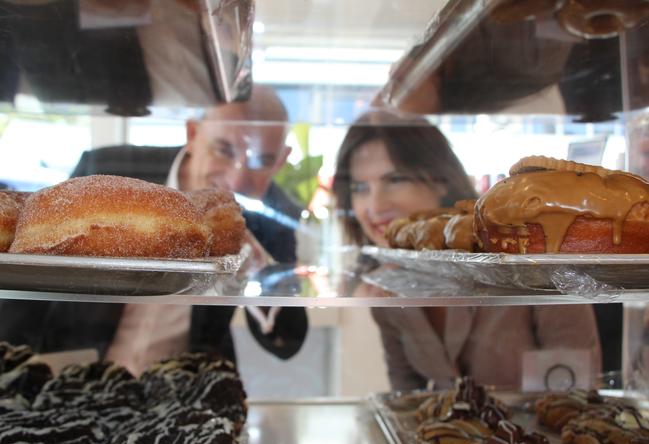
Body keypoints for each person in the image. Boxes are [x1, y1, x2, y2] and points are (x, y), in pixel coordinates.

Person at [0, 85, 308, 374]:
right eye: (224, 150)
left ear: (281, 161)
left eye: (261, 161)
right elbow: (34, 264)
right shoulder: (113, 168)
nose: (237, 179)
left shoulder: (272, 218)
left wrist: (259, 274)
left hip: (184, 390)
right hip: (80, 371)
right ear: (192, 133)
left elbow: (286, 343)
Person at [332, 110, 602, 391]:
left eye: (396, 179)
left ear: (441, 180)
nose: (374, 207)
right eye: (360, 187)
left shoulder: (528, 255)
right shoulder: (387, 284)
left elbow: (577, 394)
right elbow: (406, 398)